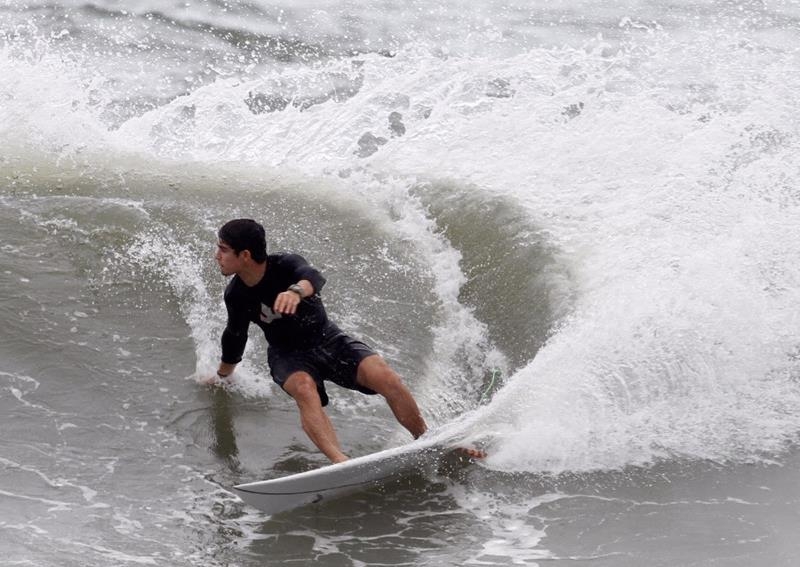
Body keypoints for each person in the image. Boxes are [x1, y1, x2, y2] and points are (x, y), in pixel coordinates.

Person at [212, 218, 428, 464]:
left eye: (223, 249)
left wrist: (296, 291)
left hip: (329, 340)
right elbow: (234, 336)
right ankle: (341, 463)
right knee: (304, 388)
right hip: (288, 356)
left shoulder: (285, 264)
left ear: (246, 255)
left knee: (386, 377)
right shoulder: (236, 294)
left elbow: (312, 276)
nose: (217, 255)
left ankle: (426, 440)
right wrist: (223, 376)